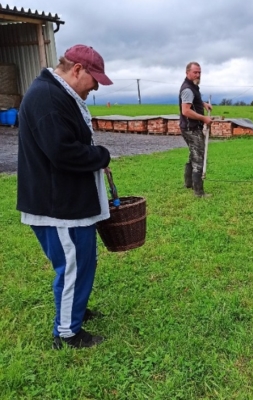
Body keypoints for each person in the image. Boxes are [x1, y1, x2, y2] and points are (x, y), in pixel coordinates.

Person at [17, 44, 113, 349]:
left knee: (84, 260)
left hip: (70, 202)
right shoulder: (47, 97)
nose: (94, 88)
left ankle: (76, 310)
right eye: (93, 81)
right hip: (57, 205)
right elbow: (62, 152)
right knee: (72, 264)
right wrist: (100, 156)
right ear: (77, 70)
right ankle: (68, 333)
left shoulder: (57, 93)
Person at [179, 61, 213, 197]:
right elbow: (186, 111)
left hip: (189, 127)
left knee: (193, 154)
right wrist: (204, 118)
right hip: (191, 128)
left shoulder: (192, 87)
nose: (198, 74)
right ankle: (199, 192)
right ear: (187, 72)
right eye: (195, 72)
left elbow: (192, 101)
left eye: (199, 72)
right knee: (198, 157)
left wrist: (203, 103)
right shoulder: (188, 89)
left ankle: (188, 183)